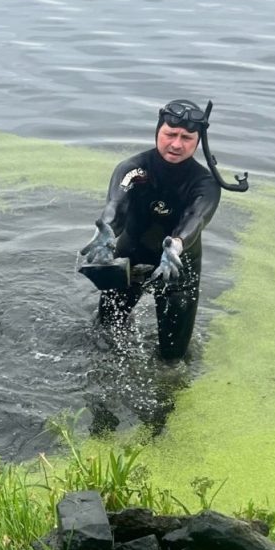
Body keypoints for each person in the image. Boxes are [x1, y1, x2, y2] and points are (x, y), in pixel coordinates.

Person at [78, 99, 222, 360]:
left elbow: (195, 217)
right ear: (158, 131)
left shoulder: (206, 183)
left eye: (186, 137)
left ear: (198, 141)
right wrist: (107, 228)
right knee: (104, 337)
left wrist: (177, 243)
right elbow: (116, 205)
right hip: (128, 261)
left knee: (173, 359)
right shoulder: (133, 169)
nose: (176, 144)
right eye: (170, 134)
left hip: (178, 267)